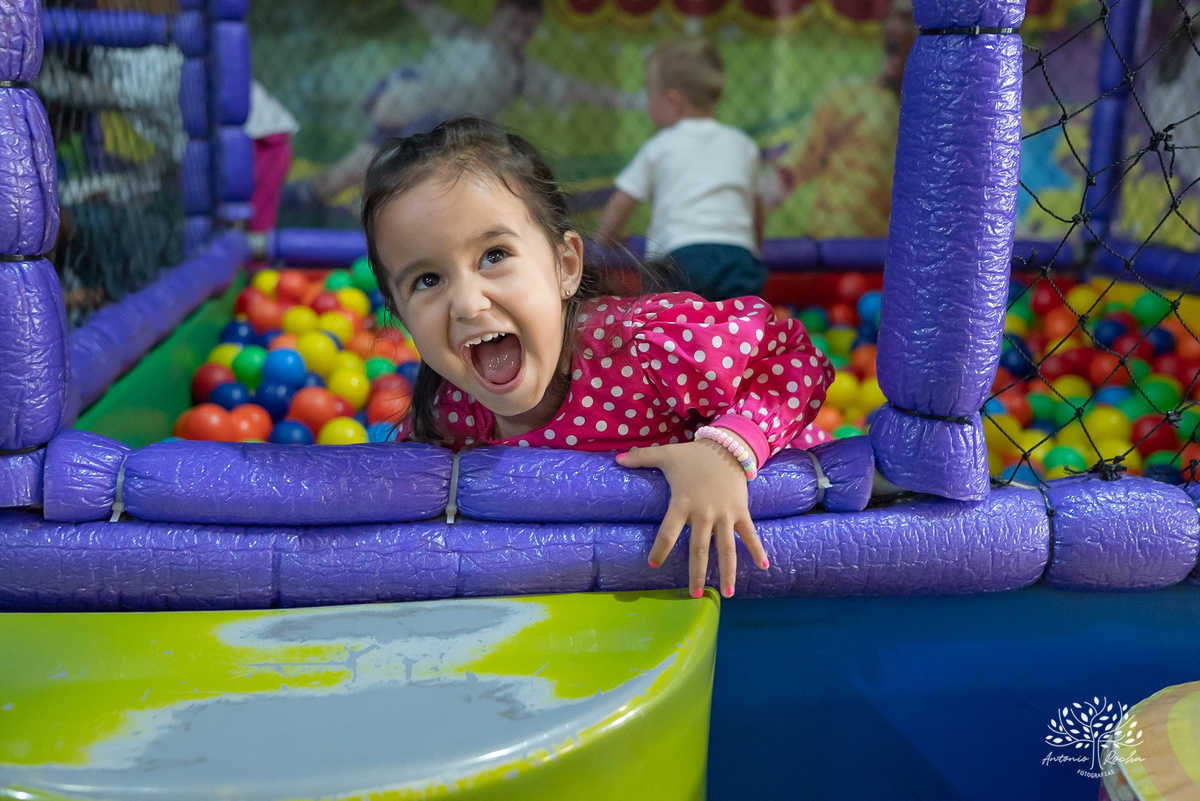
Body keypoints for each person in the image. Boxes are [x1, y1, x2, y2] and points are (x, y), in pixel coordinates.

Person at [361, 117, 834, 599]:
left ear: (566, 266)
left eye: (494, 255)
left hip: (791, 481)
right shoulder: (450, 415)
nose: (467, 303)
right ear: (400, 316)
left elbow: (794, 358)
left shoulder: (645, 347)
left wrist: (729, 449)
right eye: (427, 280)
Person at [293, 0, 642, 209]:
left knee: (393, 186)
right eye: (513, 24)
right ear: (496, 15)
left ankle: (342, 203)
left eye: (527, 30)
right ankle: (297, 197)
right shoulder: (462, 35)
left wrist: (630, 100)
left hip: (446, 139)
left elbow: (574, 89)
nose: (518, 35)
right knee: (346, 175)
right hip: (404, 121)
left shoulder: (521, 72)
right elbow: (423, 9)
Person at [596, 37, 765, 302]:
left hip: (679, 258)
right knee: (739, 324)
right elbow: (756, 207)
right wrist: (753, 246)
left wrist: (607, 237)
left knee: (670, 325)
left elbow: (622, 201)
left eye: (650, 95)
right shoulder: (743, 145)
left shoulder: (661, 145)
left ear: (673, 101)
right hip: (737, 258)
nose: (648, 105)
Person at [761, 0, 916, 238]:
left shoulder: (936, 108)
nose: (895, 27)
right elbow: (793, 168)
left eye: (908, 20)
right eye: (891, 18)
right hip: (837, 237)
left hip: (898, 241)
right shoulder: (847, 96)